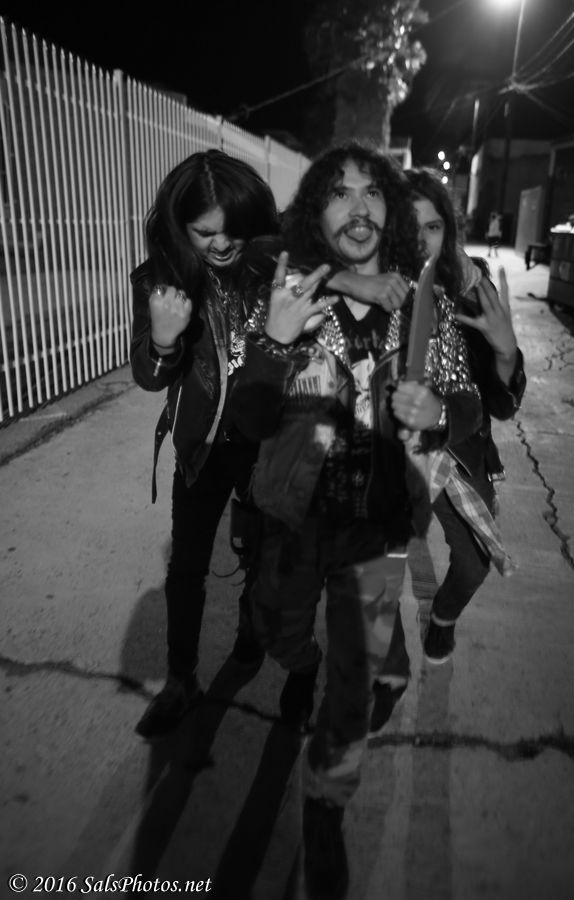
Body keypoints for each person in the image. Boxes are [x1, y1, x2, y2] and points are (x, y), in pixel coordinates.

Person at [230, 141, 483, 899]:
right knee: (276, 630)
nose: (359, 205)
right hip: (291, 519)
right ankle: (302, 663)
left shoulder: (424, 304)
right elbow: (248, 417)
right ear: (316, 211)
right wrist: (273, 343)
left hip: (375, 532)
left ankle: (325, 809)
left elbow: (468, 403)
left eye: (373, 191)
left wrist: (441, 414)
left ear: (391, 210)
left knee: (352, 691)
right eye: (339, 192)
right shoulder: (290, 293)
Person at [129, 149, 281, 740]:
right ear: (179, 226)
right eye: (205, 232)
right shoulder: (160, 279)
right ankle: (180, 679)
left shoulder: (274, 267)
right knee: (187, 567)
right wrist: (164, 340)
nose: (221, 244)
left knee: (264, 554)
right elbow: (150, 377)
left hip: (268, 440)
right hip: (203, 447)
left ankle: (251, 633)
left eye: (233, 230)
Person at [402, 168, 526, 666]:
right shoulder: (368, 291)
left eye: (432, 226)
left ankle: (442, 618)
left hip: (457, 453)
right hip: (386, 453)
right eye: (406, 226)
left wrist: (505, 352)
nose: (419, 240)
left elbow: (501, 405)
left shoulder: (472, 289)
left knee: (474, 563)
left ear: (448, 230)